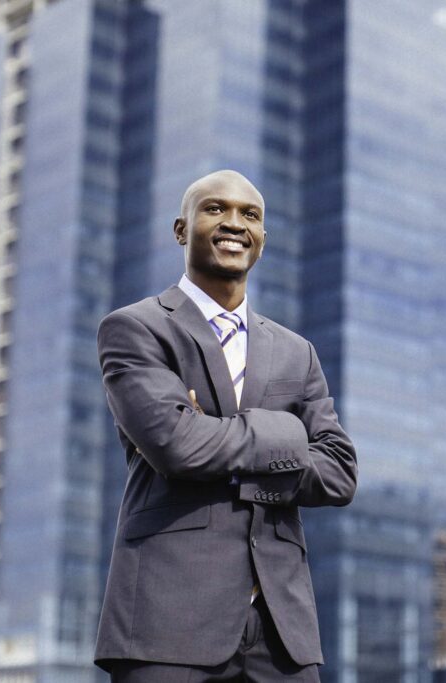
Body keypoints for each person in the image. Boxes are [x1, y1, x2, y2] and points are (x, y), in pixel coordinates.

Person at [94, 170, 357, 682]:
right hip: (168, 619)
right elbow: (177, 447)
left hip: (283, 633)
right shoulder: (136, 328)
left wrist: (214, 431)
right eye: (215, 209)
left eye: (250, 215)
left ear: (262, 239)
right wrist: (287, 435)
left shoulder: (296, 352)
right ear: (180, 229)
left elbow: (341, 473)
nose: (234, 223)